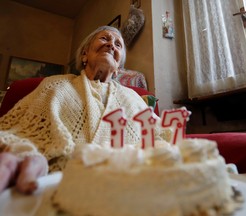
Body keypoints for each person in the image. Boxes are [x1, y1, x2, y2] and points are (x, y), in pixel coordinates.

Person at [0, 26, 168, 195]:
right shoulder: (55, 85)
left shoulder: (134, 98)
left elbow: (163, 136)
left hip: (127, 187)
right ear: (84, 54)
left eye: (118, 44)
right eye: (104, 39)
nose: (111, 45)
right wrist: (27, 154)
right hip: (57, 182)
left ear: (118, 66)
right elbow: (17, 132)